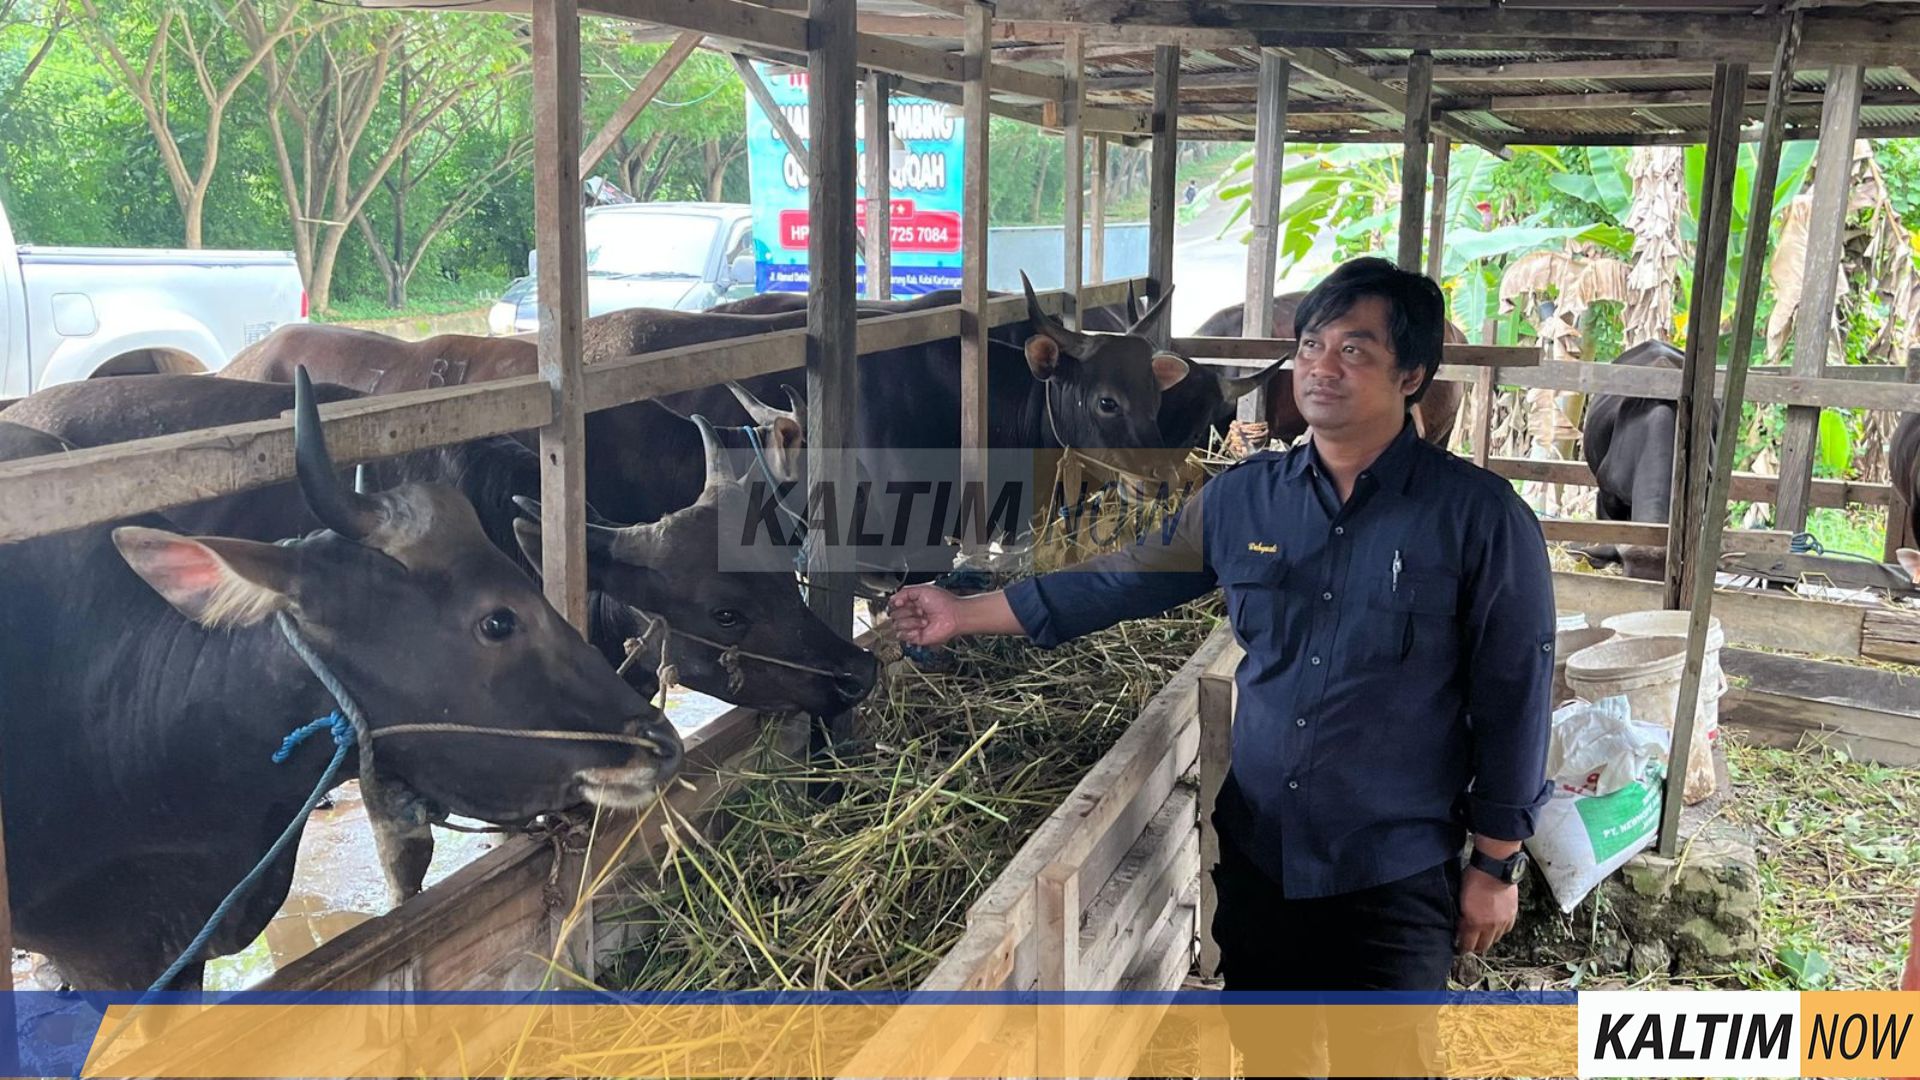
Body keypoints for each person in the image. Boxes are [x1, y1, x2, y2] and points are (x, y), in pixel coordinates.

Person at [888, 256, 1556, 1077]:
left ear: (1412, 374)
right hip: (1261, 854)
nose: (1319, 366)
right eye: (1311, 344)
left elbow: (1514, 693)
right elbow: (1123, 579)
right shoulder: (1245, 499)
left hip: (1392, 869)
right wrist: (965, 613)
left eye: (1354, 350)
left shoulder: (1481, 520)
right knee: (1268, 1057)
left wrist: (1495, 862)